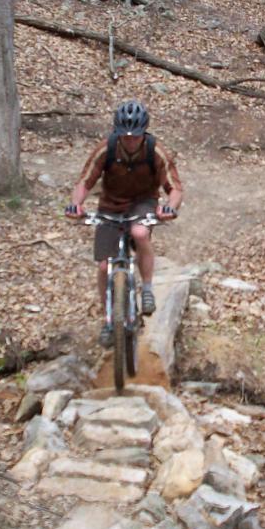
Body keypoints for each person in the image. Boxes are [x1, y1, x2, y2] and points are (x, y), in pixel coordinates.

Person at [65, 100, 183, 346]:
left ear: (143, 134)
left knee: (140, 233)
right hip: (110, 206)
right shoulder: (106, 149)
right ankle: (109, 319)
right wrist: (76, 205)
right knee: (103, 267)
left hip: (143, 203)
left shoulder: (155, 150)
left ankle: (147, 288)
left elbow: (174, 188)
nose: (130, 141)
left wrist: (170, 207)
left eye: (135, 137)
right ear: (117, 133)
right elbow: (85, 182)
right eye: (125, 137)